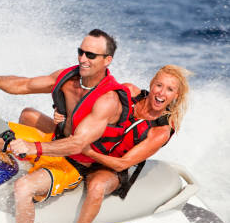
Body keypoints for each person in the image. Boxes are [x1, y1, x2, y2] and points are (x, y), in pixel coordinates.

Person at [0, 29, 132, 223]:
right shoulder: (69, 79)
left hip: (74, 163)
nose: (83, 59)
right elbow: (25, 85)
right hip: (52, 141)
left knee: (23, 188)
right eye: (81, 52)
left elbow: (77, 144)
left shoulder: (108, 100)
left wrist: (33, 148)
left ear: (107, 60)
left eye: (91, 55)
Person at [73, 65, 191, 202]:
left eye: (170, 89)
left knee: (97, 186)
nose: (162, 93)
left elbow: (122, 164)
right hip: (89, 146)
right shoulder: (128, 92)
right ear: (152, 84)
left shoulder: (161, 131)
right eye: (159, 85)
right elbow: (88, 106)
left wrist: (88, 152)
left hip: (112, 169)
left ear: (176, 96)